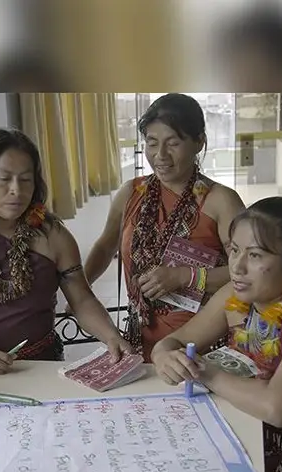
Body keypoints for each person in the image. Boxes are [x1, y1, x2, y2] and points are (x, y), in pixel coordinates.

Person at [0, 128, 132, 402]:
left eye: (26, 180)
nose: (16, 191)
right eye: (4, 179)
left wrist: (111, 337)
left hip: (42, 369)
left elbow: (82, 300)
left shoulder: (54, 235)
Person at [150, 197, 282, 472]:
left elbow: (278, 408)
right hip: (242, 435)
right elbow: (173, 342)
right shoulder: (236, 297)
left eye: (256, 255)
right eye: (234, 250)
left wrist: (203, 373)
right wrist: (164, 357)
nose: (237, 266)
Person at [82, 93, 246, 361]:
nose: (160, 155)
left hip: (200, 344)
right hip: (137, 340)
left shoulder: (220, 201)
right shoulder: (131, 193)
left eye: (173, 143)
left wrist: (186, 276)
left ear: (199, 142)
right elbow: (104, 246)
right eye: (152, 143)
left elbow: (247, 273)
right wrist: (82, 290)